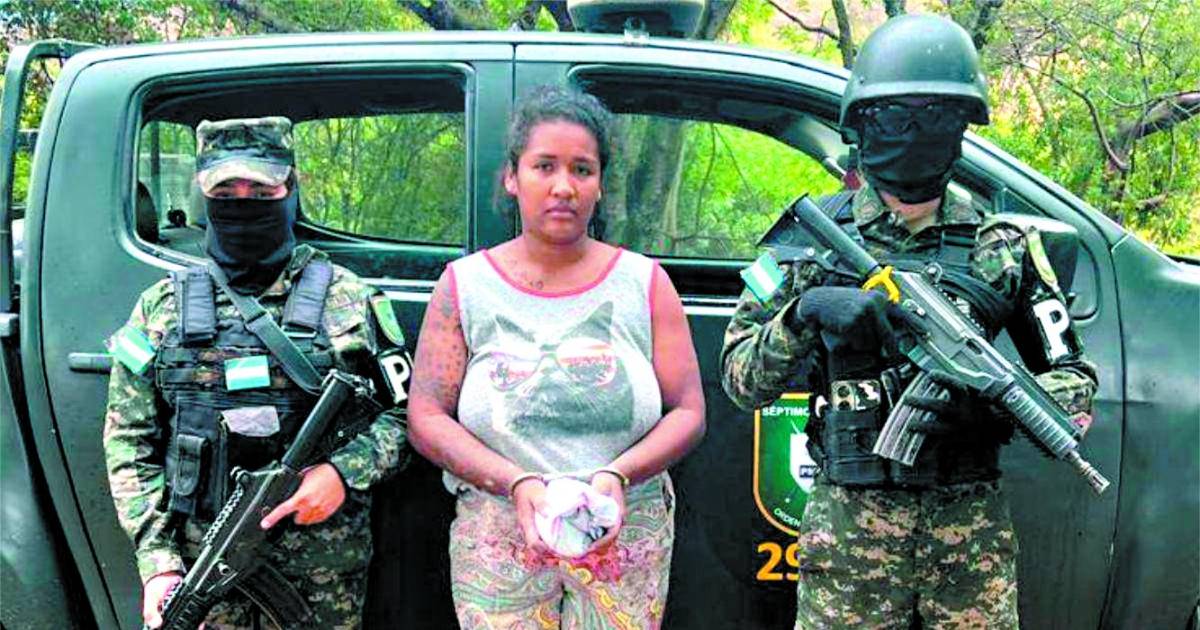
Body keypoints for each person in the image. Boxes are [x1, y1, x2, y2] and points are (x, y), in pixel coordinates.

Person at [721, 15, 1098, 629]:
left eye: (938, 117)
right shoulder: (810, 241)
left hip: (969, 541)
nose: (916, 134)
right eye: (896, 117)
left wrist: (989, 405)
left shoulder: (1002, 248)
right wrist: (803, 314)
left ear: (963, 128)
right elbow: (740, 379)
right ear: (862, 125)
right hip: (851, 537)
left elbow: (1075, 378)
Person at [408, 86, 705, 629]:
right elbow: (426, 417)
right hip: (498, 533)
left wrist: (618, 474)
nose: (563, 186)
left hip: (623, 532)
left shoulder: (645, 283)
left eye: (582, 169)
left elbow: (688, 411)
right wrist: (514, 482)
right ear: (512, 176)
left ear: (601, 184)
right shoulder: (463, 287)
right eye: (544, 166)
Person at [103, 116, 412, 628]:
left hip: (320, 578)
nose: (243, 204)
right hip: (199, 570)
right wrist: (159, 564)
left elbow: (407, 416)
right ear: (203, 194)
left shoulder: (350, 299)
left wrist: (343, 472)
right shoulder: (159, 308)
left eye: (262, 191)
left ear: (291, 188)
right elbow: (128, 440)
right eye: (226, 192)